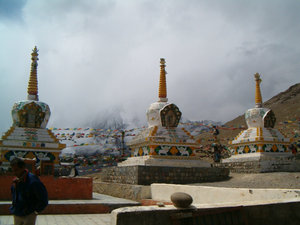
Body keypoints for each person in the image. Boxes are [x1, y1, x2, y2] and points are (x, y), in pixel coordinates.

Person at [10, 157, 48, 225]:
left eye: (16, 170)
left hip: (28, 214)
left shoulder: (33, 181)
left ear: (23, 168)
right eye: (12, 170)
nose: (14, 173)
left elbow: (43, 198)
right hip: (17, 213)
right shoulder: (16, 181)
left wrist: (35, 211)